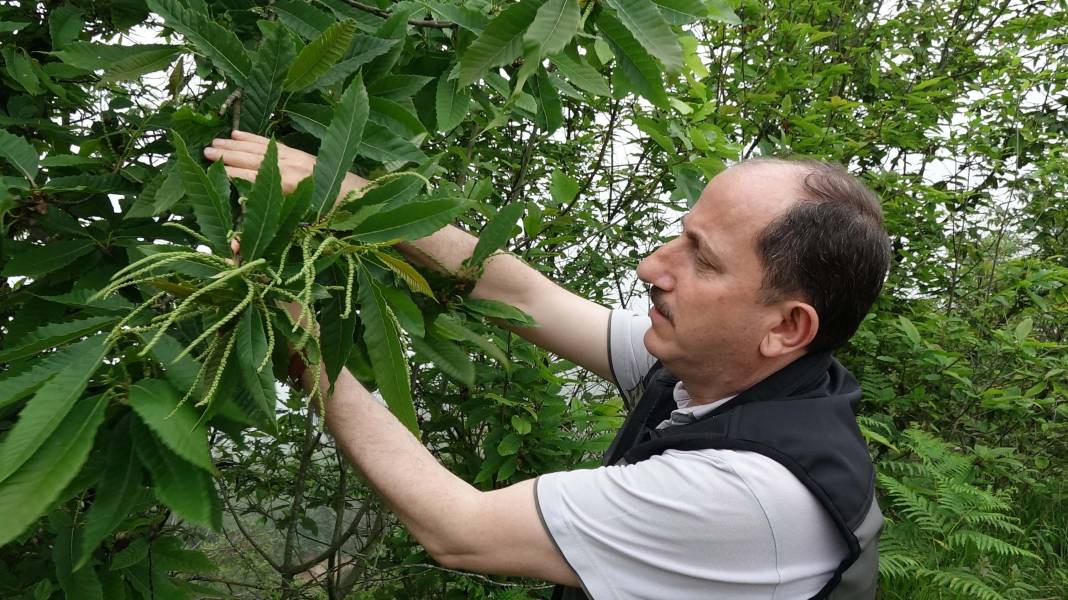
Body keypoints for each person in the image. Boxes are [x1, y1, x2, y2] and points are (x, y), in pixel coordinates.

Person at [205, 130, 891, 599]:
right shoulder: (714, 372)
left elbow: (459, 529)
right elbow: (523, 294)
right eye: (678, 237)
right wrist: (352, 196)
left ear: (786, 326)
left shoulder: (750, 496)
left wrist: (306, 352)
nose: (652, 266)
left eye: (701, 259)